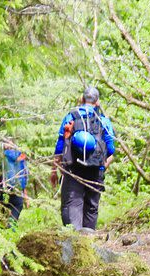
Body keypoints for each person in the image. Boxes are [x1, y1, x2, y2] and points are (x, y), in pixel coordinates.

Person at [51, 86, 115, 230]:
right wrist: (102, 166)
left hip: (73, 169)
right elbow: (111, 149)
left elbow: (60, 146)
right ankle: (89, 243)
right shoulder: (104, 120)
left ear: (81, 99)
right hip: (96, 170)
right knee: (91, 207)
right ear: (97, 102)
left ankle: (74, 244)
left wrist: (54, 170)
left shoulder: (70, 116)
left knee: (72, 204)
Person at [0, 140, 29, 225]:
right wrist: (24, 192)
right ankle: (10, 226)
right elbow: (24, 174)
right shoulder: (21, 157)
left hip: (0, 186)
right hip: (16, 187)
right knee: (17, 205)